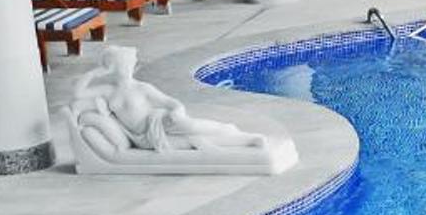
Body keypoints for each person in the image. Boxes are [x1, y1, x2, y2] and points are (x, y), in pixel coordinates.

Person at [69, 46, 278, 162]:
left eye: (128, 64)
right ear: (113, 67)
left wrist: (177, 111)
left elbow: (170, 103)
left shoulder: (142, 88)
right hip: (144, 137)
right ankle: (246, 140)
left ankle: (230, 130)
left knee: (195, 127)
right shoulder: (108, 91)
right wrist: (96, 72)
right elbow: (78, 93)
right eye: (121, 65)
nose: (126, 69)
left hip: (161, 121)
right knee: (195, 140)